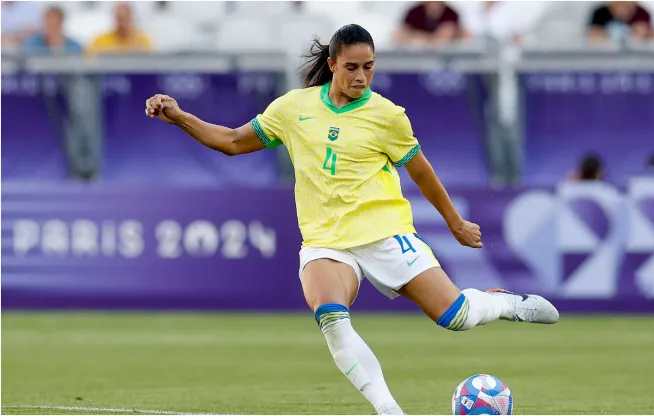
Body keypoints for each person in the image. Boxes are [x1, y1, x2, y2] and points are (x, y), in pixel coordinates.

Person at [145, 24, 558, 415]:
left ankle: (502, 302)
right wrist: (181, 116)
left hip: (384, 234)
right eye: (352, 67)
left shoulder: (388, 115)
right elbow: (233, 142)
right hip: (326, 241)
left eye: (369, 67)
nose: (362, 76)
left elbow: (421, 171)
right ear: (332, 64)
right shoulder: (293, 107)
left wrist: (454, 222)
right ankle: (388, 409)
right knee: (330, 315)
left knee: (456, 317)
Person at [86, 2, 152, 55]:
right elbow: (89, 59)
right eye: (119, 18)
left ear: (131, 18)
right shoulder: (100, 40)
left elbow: (149, 62)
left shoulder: (143, 40)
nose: (122, 23)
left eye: (124, 18)